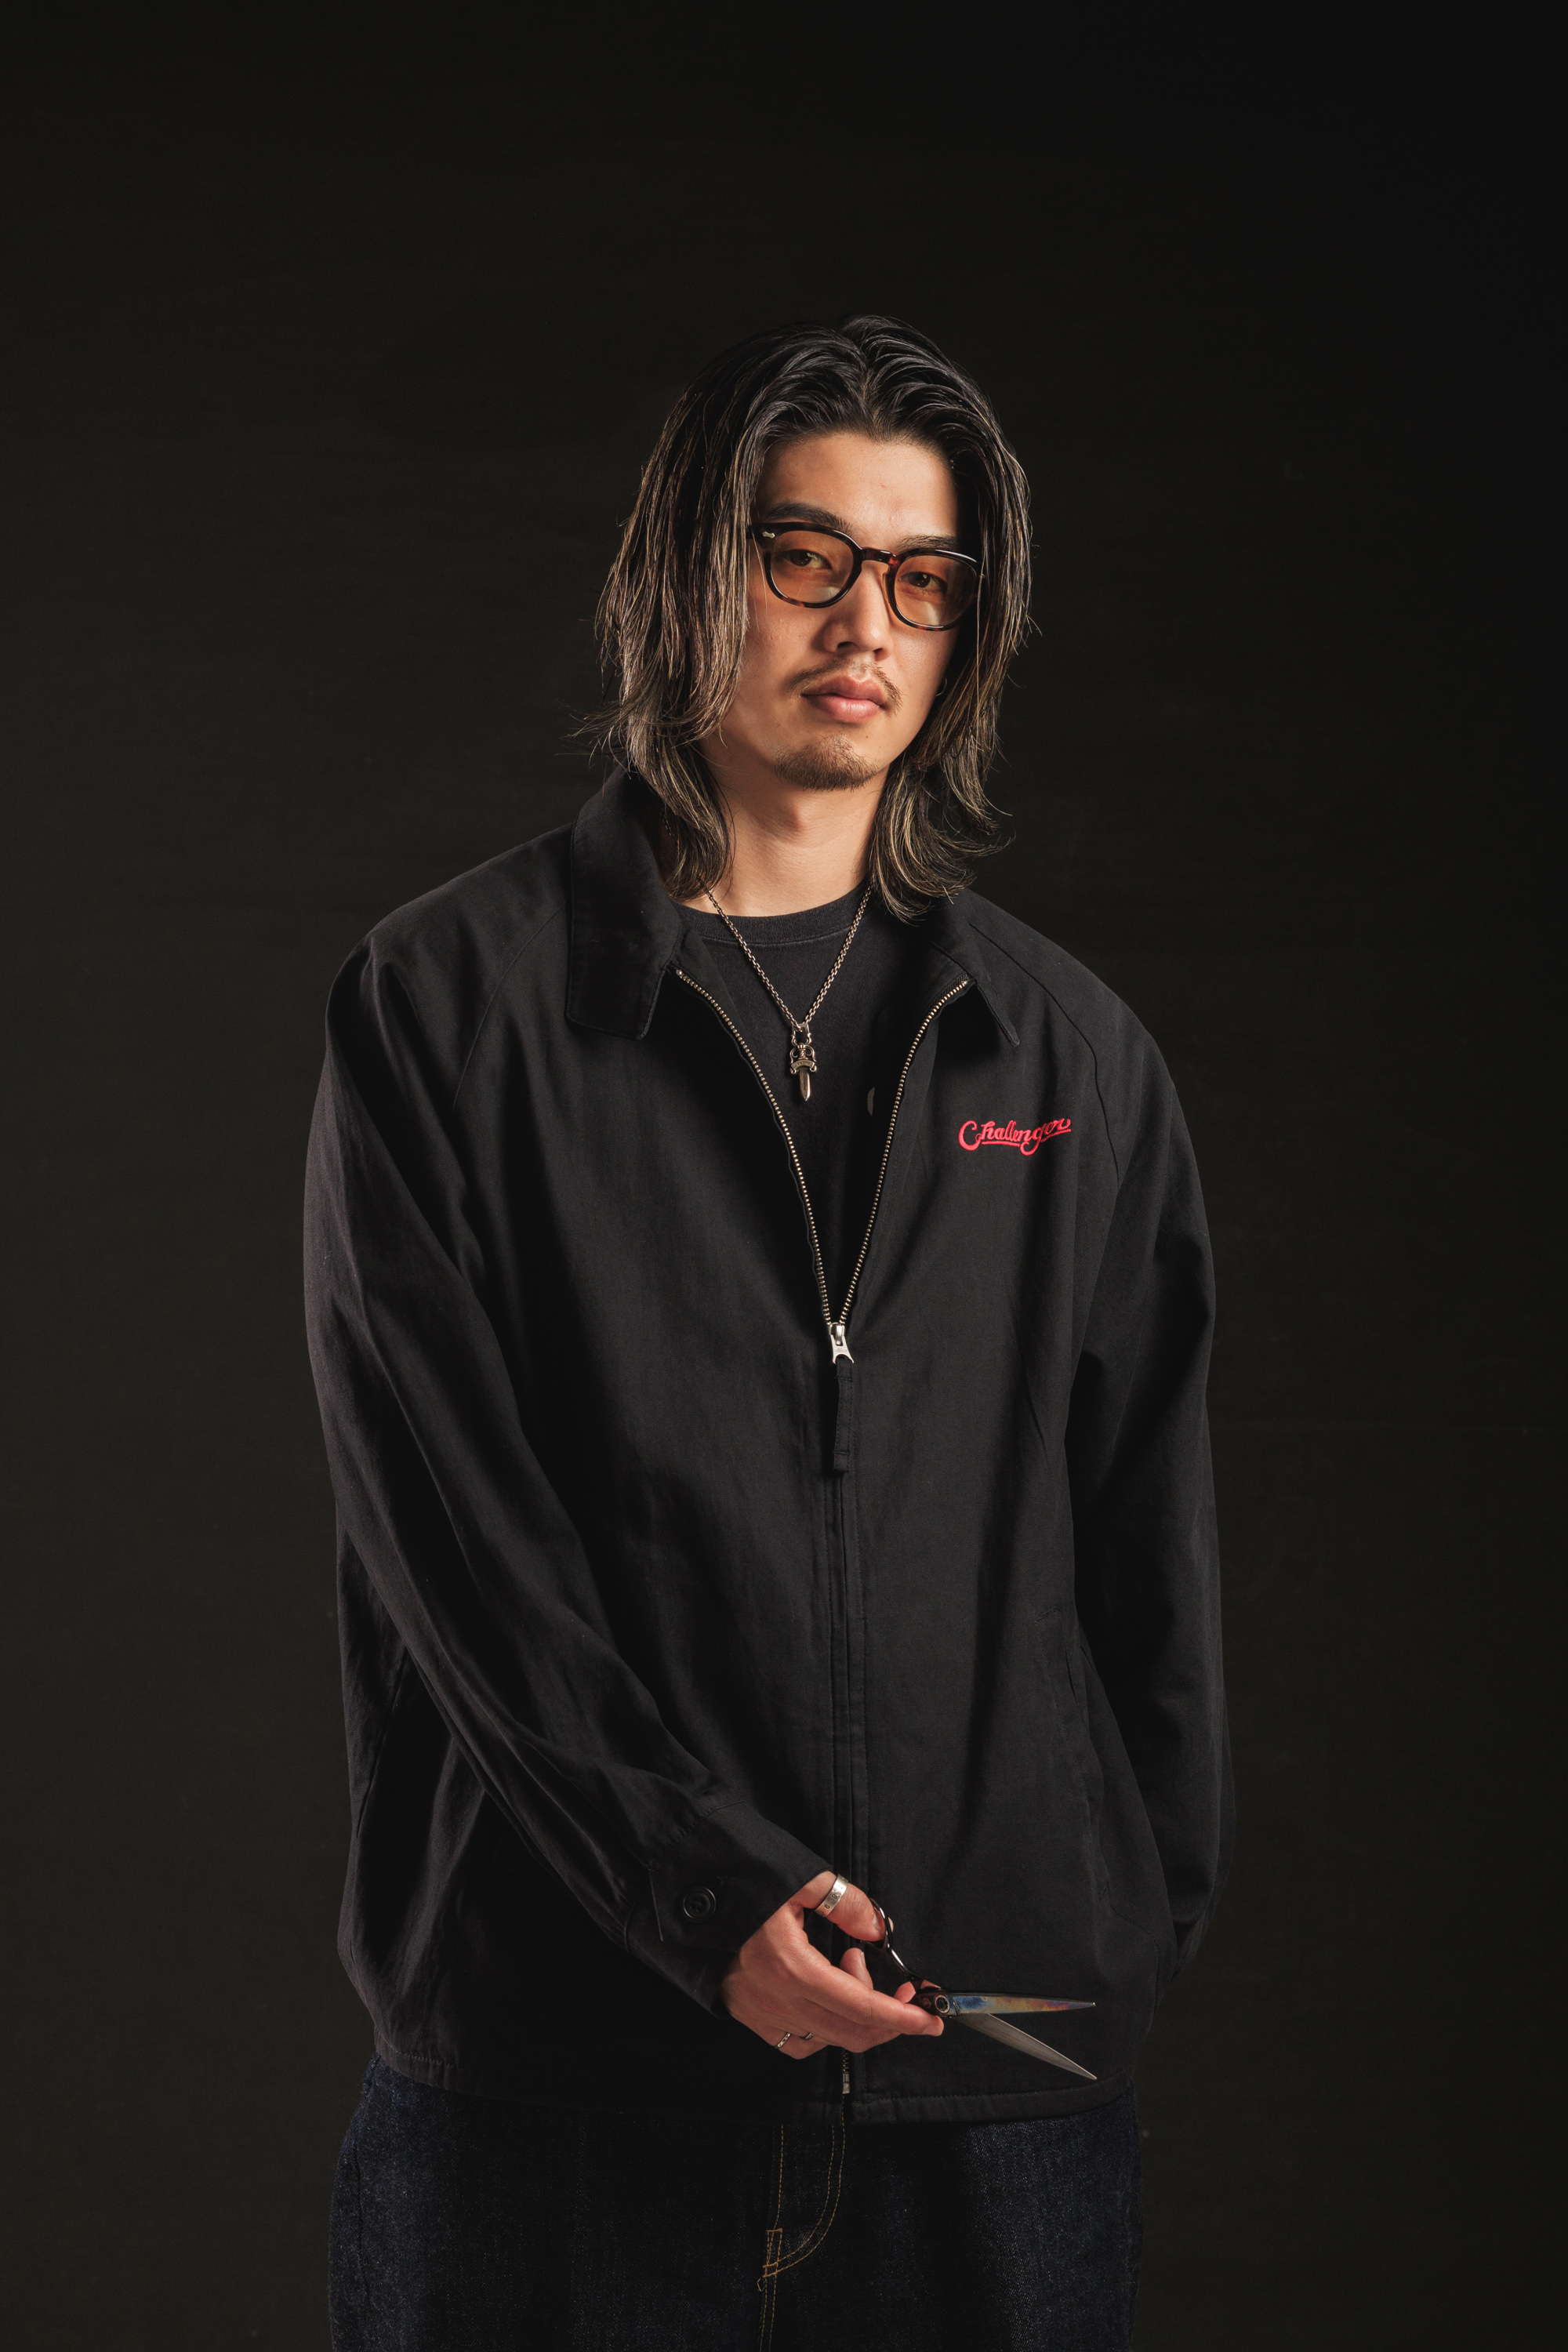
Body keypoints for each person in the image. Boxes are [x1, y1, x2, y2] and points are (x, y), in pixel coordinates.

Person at [304, 314, 1232, 2351]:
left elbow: (1144, 1562)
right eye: (804, 555)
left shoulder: (1070, 1055)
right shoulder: (448, 1013)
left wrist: (1112, 1940)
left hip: (992, 2093)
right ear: (685, 572)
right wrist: (701, 1897)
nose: (865, 622)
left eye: (924, 576)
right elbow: (455, 1543)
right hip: (561, 2084)